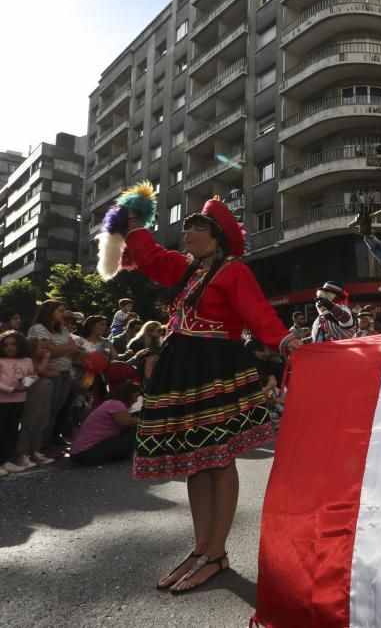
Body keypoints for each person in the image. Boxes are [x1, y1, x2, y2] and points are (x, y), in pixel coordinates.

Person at [122, 197, 301, 594]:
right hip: (182, 370)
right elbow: (149, 257)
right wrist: (134, 221)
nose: (186, 232)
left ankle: (218, 552)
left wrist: (286, 341)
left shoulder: (234, 271)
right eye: (185, 226)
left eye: (195, 226)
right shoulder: (186, 270)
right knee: (196, 461)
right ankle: (201, 548)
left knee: (218, 460)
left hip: (215, 369)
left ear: (217, 237)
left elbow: (259, 315)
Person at [27, 300, 80, 452]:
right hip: (49, 374)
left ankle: (48, 442)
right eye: (61, 311)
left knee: (57, 409)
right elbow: (52, 351)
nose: (64, 314)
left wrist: (64, 349)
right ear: (50, 312)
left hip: (64, 373)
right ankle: (40, 446)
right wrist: (66, 349)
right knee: (46, 411)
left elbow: (74, 349)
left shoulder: (61, 329)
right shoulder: (39, 328)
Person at [70, 381, 141, 466]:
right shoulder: (116, 404)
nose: (136, 400)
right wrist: (138, 420)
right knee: (136, 435)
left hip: (81, 453)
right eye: (136, 397)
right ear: (129, 395)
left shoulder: (112, 403)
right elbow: (128, 422)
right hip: (85, 453)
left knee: (131, 430)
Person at [15, 338, 57, 467]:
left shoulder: (40, 361)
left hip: (45, 393)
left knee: (42, 422)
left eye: (46, 348)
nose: (46, 351)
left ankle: (35, 450)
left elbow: (55, 372)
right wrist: (44, 364)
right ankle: (23, 453)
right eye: (42, 348)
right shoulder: (28, 361)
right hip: (34, 393)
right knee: (30, 422)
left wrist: (43, 370)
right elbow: (37, 372)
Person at [0, 331, 35, 475]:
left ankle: (6, 460)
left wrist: (25, 386)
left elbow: (31, 375)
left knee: (11, 431)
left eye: (13, 344)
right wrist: (11, 389)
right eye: (6, 345)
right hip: (2, 400)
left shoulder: (27, 361)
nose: (9, 348)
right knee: (1, 431)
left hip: (19, 399)